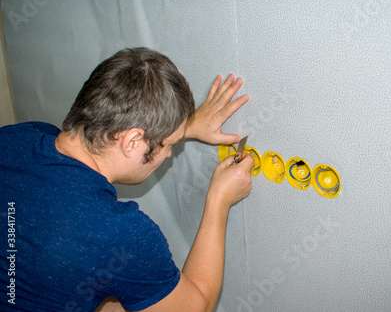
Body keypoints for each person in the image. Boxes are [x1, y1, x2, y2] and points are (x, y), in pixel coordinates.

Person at [0, 47, 254, 312]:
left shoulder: (18, 137)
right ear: (132, 141)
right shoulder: (119, 233)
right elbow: (196, 307)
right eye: (169, 145)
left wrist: (178, 127)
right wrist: (219, 200)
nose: (168, 155)